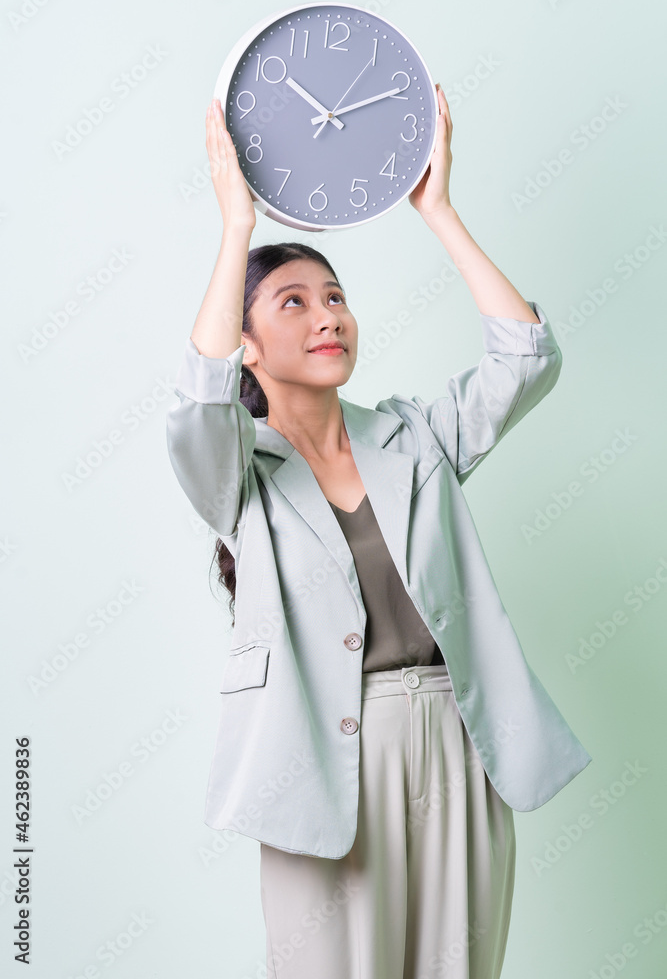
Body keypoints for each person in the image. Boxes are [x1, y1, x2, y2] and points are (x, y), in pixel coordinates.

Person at [165, 88, 592, 979]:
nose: (328, 316)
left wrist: (437, 210)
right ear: (247, 343)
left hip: (457, 734)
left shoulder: (415, 433)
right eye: (292, 303)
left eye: (336, 296)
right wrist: (234, 227)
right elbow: (196, 405)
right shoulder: (237, 474)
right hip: (316, 757)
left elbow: (526, 356)